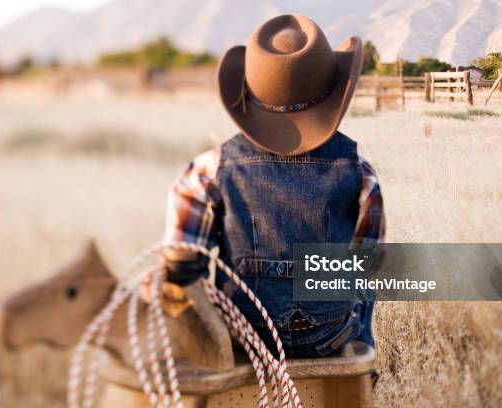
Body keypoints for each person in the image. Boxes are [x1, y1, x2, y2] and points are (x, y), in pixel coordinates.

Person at [162, 14, 385, 361]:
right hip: (329, 333)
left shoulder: (206, 171)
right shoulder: (360, 173)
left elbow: (183, 271)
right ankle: (361, 365)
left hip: (243, 335)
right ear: (335, 94)